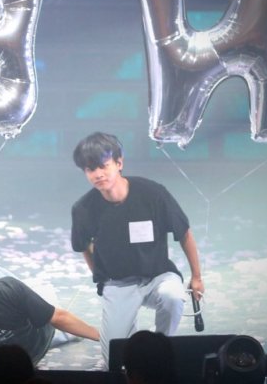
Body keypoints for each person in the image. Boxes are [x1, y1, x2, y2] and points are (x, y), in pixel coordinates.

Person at [71, 132, 204, 367]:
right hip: (118, 283)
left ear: (119, 163)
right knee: (114, 357)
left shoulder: (153, 193)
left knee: (173, 297)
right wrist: (100, 276)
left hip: (158, 275)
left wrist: (196, 277)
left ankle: (159, 347)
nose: (98, 174)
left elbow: (184, 233)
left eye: (103, 166)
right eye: (91, 170)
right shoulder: (83, 208)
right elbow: (83, 246)